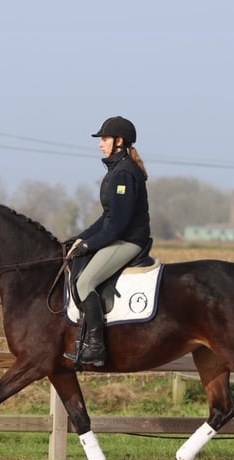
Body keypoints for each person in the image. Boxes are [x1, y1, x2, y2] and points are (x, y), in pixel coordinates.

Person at [63, 115, 151, 367]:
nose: (101, 144)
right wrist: (81, 238)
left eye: (104, 139)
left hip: (128, 241)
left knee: (85, 282)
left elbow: (117, 225)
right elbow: (107, 217)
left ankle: (95, 347)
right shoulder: (117, 170)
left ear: (119, 141)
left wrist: (89, 246)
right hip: (120, 236)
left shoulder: (124, 174)